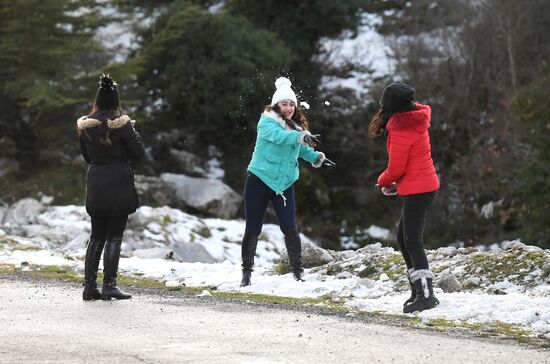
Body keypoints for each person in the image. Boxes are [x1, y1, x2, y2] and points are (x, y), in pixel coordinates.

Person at [240, 77, 335, 286]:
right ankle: (246, 273)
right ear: (275, 105)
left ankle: (298, 273)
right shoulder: (266, 122)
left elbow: (300, 148)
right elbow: (280, 138)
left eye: (292, 104)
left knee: (290, 227)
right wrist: (300, 137)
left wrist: (316, 157)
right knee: (253, 228)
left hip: (283, 185)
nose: (288, 108)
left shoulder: (297, 127)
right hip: (259, 181)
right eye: (284, 103)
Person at [369, 82, 440, 313]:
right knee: (403, 238)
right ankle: (418, 290)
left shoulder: (402, 128)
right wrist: (398, 185)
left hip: (420, 190)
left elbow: (396, 168)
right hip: (420, 186)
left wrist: (382, 181)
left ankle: (426, 294)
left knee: (412, 240)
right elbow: (411, 164)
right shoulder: (415, 119)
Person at [77, 74, 145, 301]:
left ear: (96, 100)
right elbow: (139, 154)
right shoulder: (122, 124)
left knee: (96, 236)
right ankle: (109, 285)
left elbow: (87, 157)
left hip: (96, 182)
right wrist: (132, 132)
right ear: (116, 101)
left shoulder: (86, 126)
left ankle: (89, 287)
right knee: (114, 236)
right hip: (118, 183)